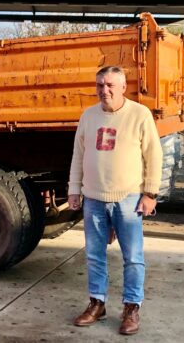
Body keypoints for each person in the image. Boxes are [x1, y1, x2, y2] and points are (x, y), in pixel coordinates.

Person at [68, 66, 162, 335]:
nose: (104, 90)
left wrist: (150, 193)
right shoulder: (88, 116)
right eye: (99, 85)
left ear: (123, 87)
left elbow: (153, 156)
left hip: (129, 199)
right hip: (94, 199)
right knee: (94, 256)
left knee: (133, 257)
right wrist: (74, 189)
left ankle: (131, 308)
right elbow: (78, 156)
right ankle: (97, 303)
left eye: (110, 85)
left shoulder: (139, 115)